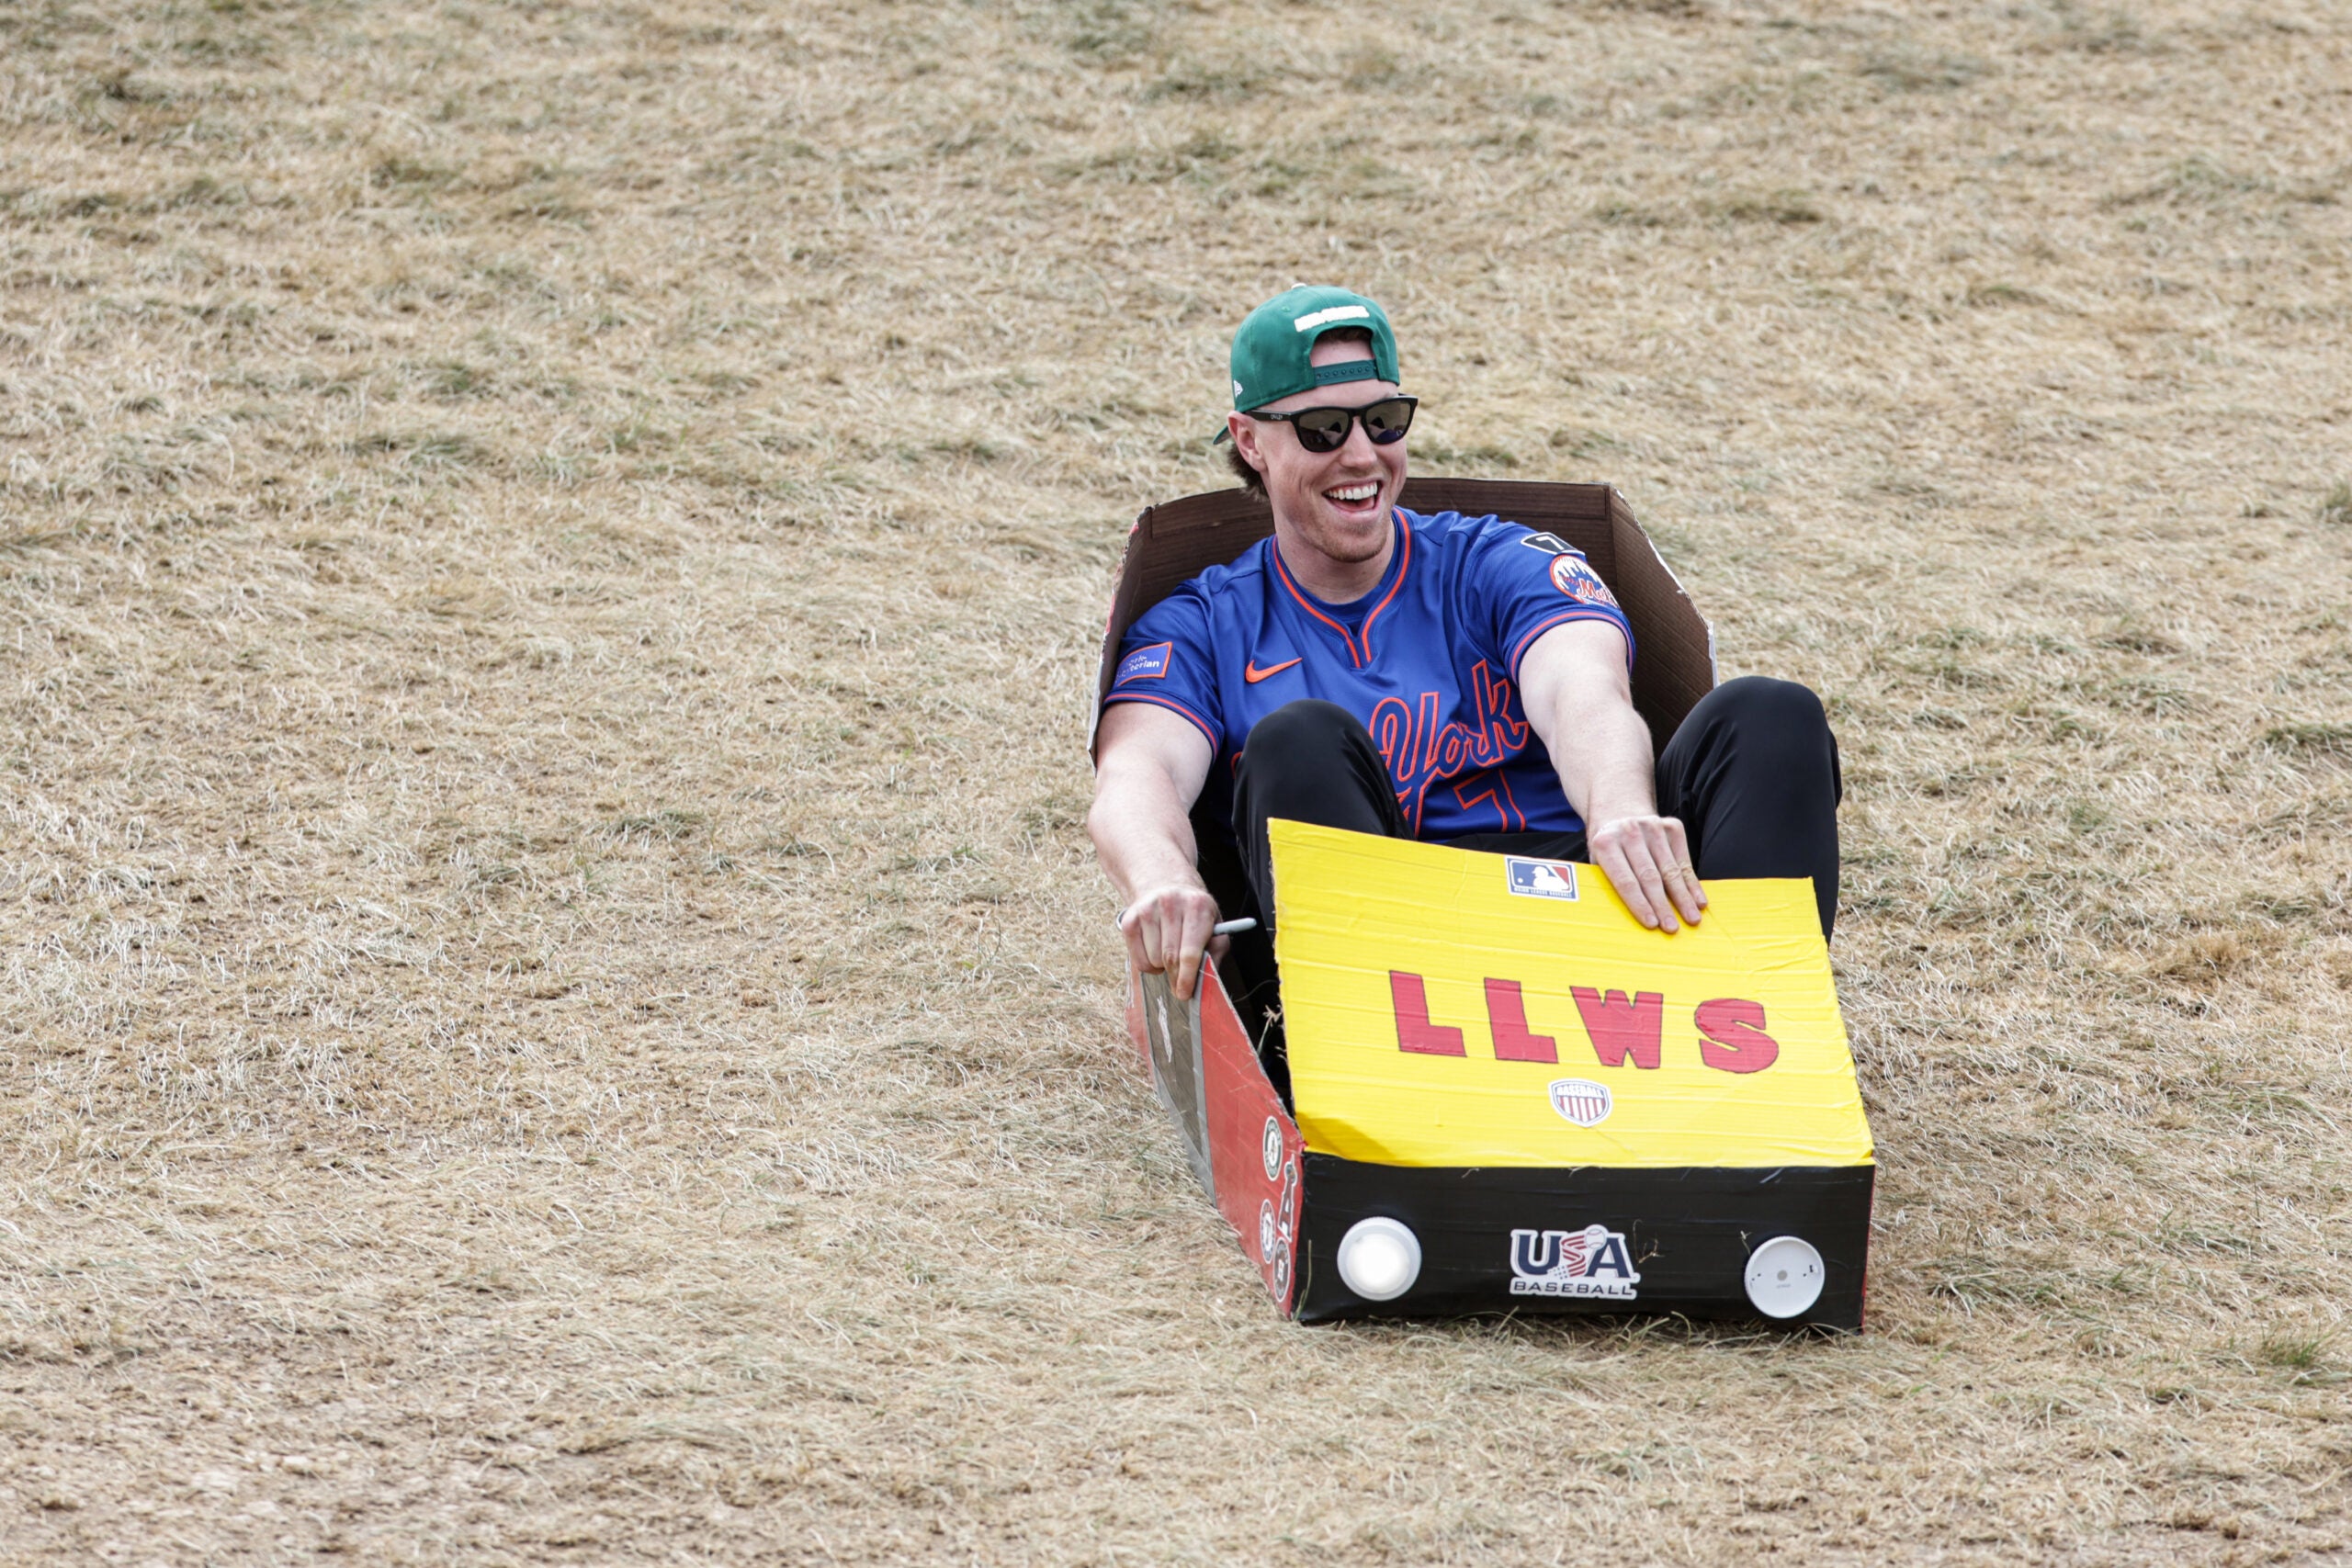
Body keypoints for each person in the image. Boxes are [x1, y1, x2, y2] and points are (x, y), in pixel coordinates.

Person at [1087, 285, 1842, 1052]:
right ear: (1250, 441)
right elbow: (1135, 775)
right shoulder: (1203, 622)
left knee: (1771, 715)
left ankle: (1757, 1046)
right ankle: (1360, 1084)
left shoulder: (1494, 559)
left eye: (1384, 421)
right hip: (1394, 967)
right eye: (1321, 429)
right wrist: (1162, 880)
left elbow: (1582, 686)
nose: (1361, 455)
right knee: (1297, 742)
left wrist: (1617, 806)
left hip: (1593, 915)